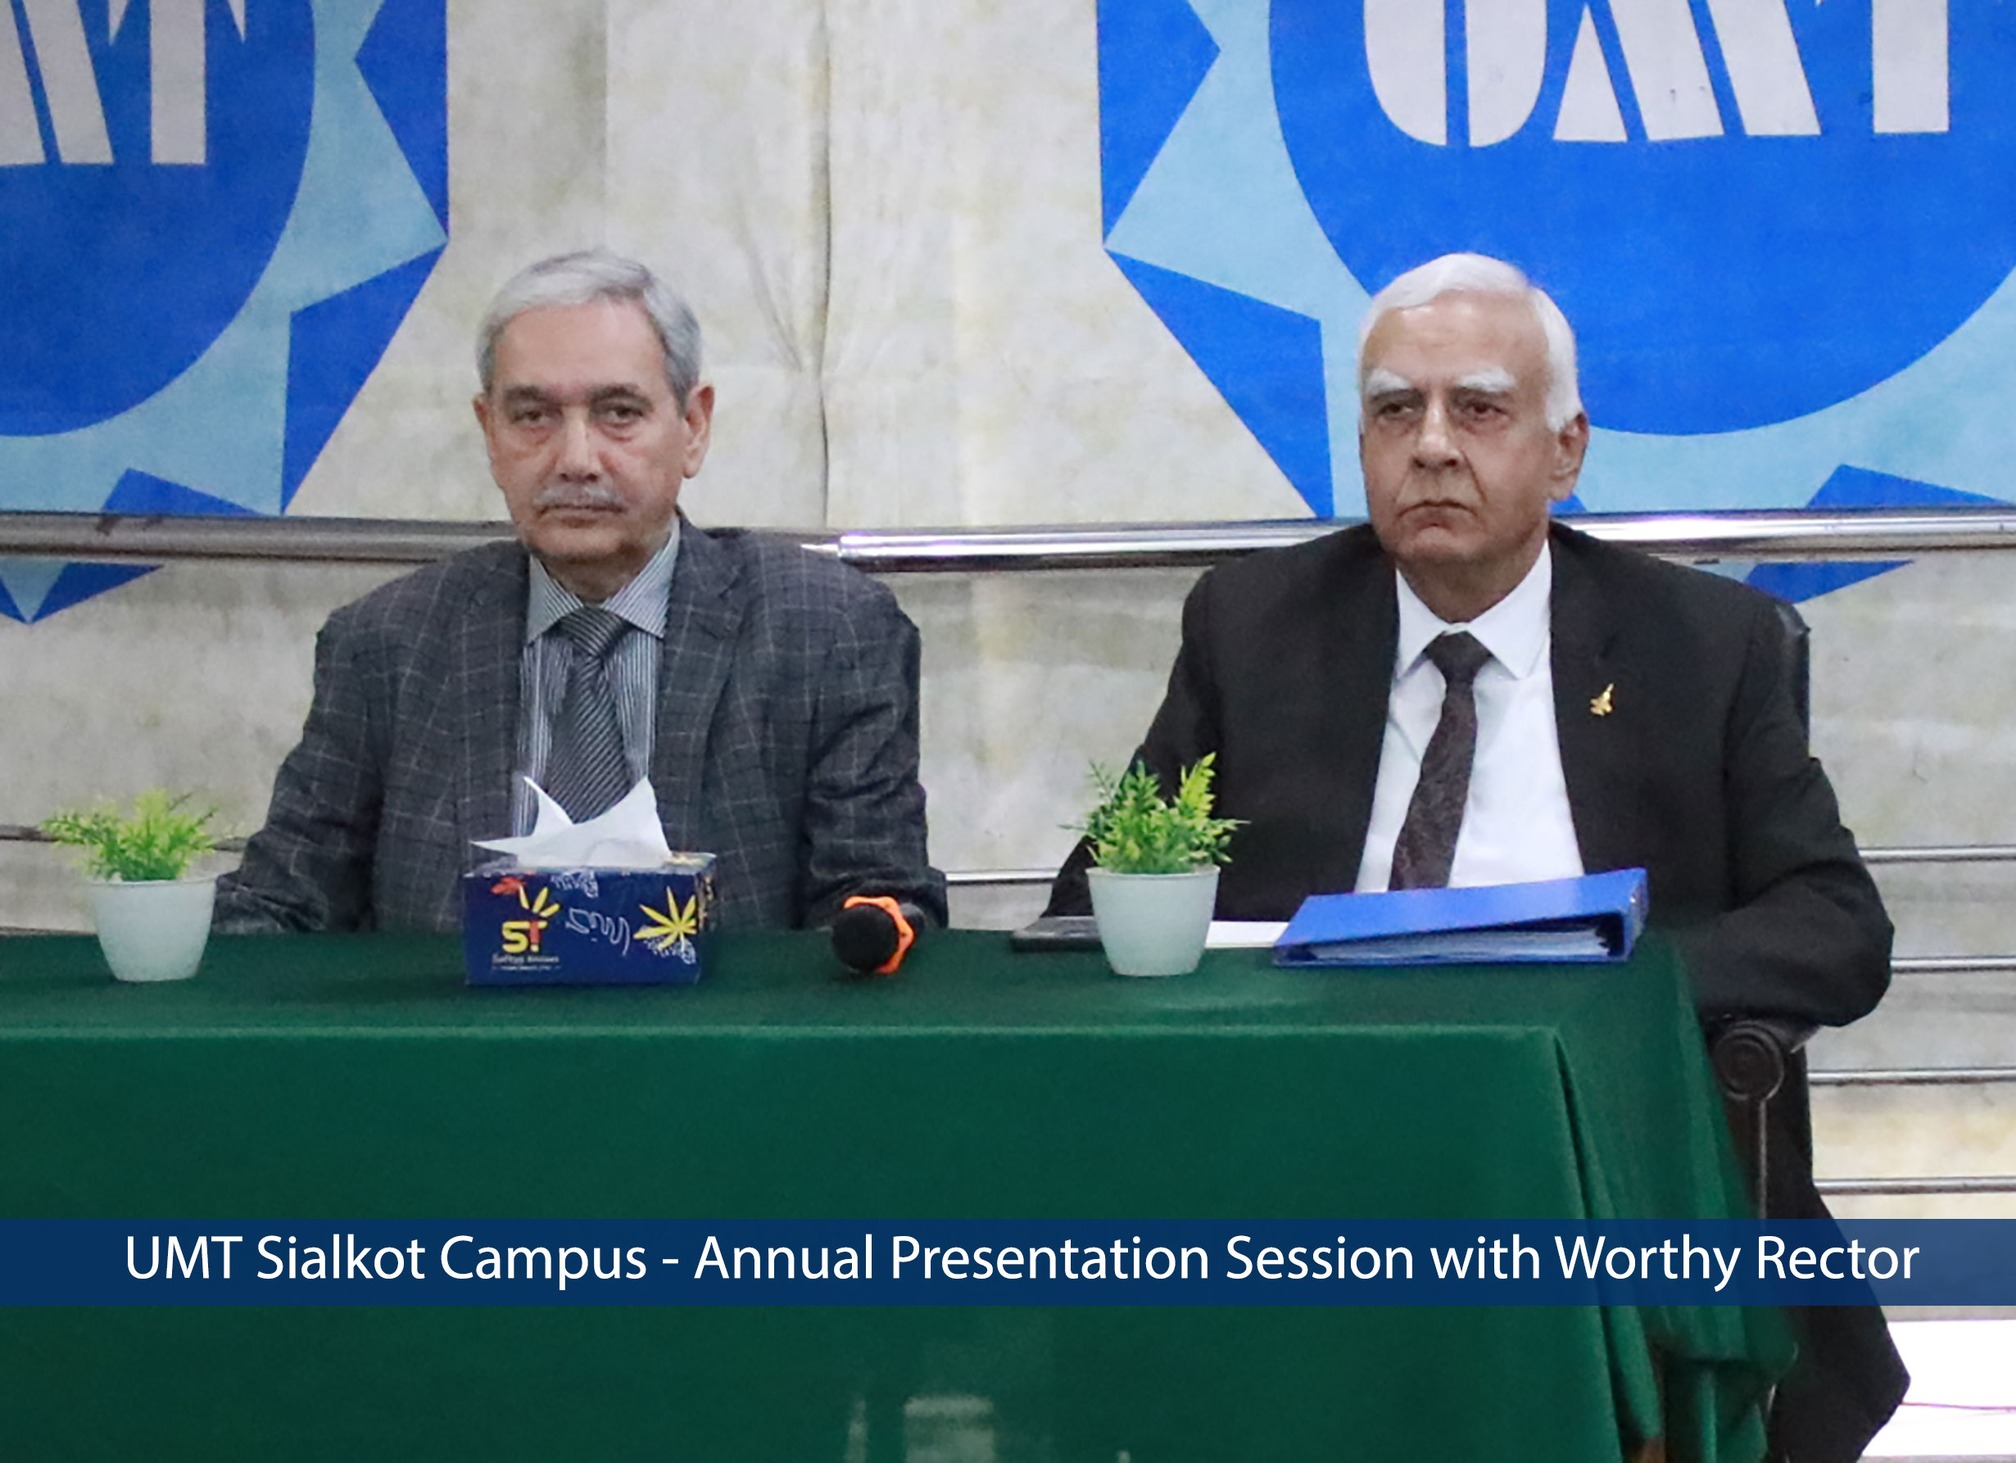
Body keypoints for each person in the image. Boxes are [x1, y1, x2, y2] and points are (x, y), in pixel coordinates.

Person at [1046, 252, 1904, 1461]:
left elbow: (1835, 927)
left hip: (1585, 1157)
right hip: (1301, 1143)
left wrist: (1600, 984)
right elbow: (1098, 895)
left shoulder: (1701, 644)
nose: (1433, 446)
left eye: (1480, 409)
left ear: (1564, 449)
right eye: (1396, 410)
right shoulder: (1253, 625)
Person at [218, 249, 944, 933]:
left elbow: (873, 898)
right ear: (489, 432)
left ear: (693, 427)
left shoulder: (826, 630)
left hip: (725, 1027)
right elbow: (284, 902)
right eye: (533, 416)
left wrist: (873, 930)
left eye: (618, 412)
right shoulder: (387, 643)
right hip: (458, 1029)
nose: (575, 459)